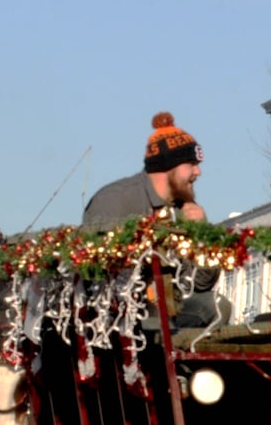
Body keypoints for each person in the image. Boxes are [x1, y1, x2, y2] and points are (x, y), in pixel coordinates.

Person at [81, 112, 217, 327]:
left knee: (217, 306)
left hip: (169, 309)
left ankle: (188, 360)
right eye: (191, 164)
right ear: (169, 167)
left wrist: (204, 236)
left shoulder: (183, 210)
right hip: (120, 311)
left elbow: (199, 285)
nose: (198, 172)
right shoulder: (116, 199)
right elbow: (95, 271)